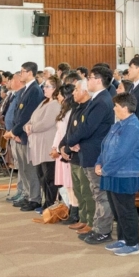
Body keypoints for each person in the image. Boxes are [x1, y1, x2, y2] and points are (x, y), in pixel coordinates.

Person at [66, 66, 116, 245]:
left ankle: (102, 230)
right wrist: (75, 141)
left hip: (96, 154)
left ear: (99, 80)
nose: (87, 80)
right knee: (97, 193)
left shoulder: (102, 101)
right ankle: (97, 227)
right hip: (89, 151)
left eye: (90, 77)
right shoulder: (98, 99)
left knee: (100, 194)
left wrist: (71, 141)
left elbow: (88, 127)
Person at [95, 93, 139, 256]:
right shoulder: (119, 124)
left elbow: (121, 153)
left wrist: (106, 169)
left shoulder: (132, 126)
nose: (114, 108)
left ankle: (133, 243)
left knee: (126, 210)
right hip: (113, 173)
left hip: (125, 175)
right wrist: (99, 162)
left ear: (124, 107)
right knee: (117, 210)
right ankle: (123, 239)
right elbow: (106, 145)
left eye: (116, 106)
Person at [5, 62, 44, 211]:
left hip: (25, 136)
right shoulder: (25, 90)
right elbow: (17, 114)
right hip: (19, 135)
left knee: (29, 169)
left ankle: (34, 198)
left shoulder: (34, 90)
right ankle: (27, 195)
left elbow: (27, 116)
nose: (20, 74)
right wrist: (14, 132)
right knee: (22, 168)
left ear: (29, 73)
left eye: (22, 71)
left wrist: (15, 132)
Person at [61, 80, 95, 234]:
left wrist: (71, 145)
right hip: (73, 154)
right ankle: (82, 218)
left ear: (85, 92)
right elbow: (69, 131)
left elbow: (85, 130)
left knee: (86, 190)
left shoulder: (89, 108)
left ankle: (90, 220)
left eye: (76, 90)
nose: (73, 93)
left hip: (82, 154)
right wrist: (64, 146)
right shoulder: (76, 107)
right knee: (78, 190)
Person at [26, 75, 62, 209]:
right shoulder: (44, 101)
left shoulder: (55, 104)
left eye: (47, 86)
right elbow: (32, 118)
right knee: (41, 175)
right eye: (44, 86)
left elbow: (46, 123)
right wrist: (27, 125)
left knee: (49, 177)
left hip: (47, 144)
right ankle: (47, 202)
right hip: (38, 144)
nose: (44, 88)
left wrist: (32, 128)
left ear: (55, 88)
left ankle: (50, 204)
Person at [52, 84, 79, 224]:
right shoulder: (64, 110)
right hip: (61, 149)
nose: (57, 96)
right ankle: (70, 208)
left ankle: (75, 211)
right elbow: (59, 132)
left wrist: (64, 148)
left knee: (71, 183)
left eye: (60, 94)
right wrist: (55, 147)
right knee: (67, 184)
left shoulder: (72, 111)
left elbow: (70, 133)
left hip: (68, 151)